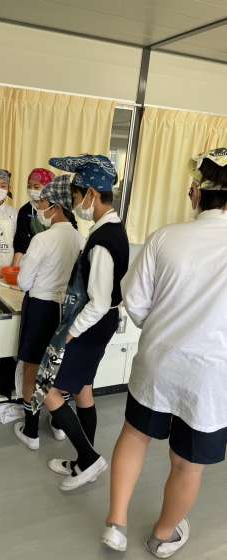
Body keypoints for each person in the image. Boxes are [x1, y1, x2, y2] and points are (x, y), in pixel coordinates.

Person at [102, 148, 227, 558]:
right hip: (211, 375)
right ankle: (163, 535)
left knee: (135, 435)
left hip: (159, 360)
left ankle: (116, 524)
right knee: (187, 462)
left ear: (196, 192)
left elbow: (135, 304)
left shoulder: (166, 238)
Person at [31, 154, 129, 491]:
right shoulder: (112, 229)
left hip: (90, 325)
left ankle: (88, 459)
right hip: (99, 323)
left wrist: (70, 334)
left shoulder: (103, 242)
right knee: (84, 389)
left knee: (48, 389)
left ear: (91, 193)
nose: (74, 203)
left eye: (75, 196)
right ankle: (82, 459)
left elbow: (98, 302)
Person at [13, 175, 85, 450]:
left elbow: (23, 282)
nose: (39, 207)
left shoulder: (42, 239)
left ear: (55, 206)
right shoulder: (81, 239)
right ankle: (58, 425)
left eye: (42, 202)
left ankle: (31, 431)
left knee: (32, 367)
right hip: (68, 310)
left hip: (41, 307)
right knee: (59, 366)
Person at [12, 168, 55, 266]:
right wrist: (15, 267)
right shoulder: (25, 210)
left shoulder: (59, 209)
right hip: (31, 261)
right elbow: (21, 242)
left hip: (55, 261)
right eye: (29, 186)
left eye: (36, 187)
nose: (32, 190)